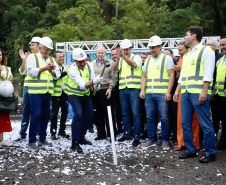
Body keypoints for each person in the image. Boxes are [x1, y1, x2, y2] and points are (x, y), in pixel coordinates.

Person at [173, 26, 216, 163]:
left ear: (194, 36)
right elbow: (183, 76)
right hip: (185, 93)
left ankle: (210, 152)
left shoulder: (207, 51)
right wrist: (177, 91)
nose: (184, 37)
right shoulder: (188, 54)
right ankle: (190, 150)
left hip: (198, 93)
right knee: (185, 123)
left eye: (186, 34)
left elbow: (209, 73)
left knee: (205, 124)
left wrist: (204, 91)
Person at [140, 35, 174, 150]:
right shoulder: (148, 60)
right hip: (150, 93)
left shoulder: (167, 58)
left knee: (164, 117)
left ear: (160, 47)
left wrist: (168, 91)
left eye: (153, 47)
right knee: (150, 117)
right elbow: (144, 77)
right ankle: (151, 139)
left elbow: (171, 75)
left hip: (162, 93)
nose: (151, 50)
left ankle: (165, 140)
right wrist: (142, 90)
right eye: (150, 47)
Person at [66, 48, 103, 153]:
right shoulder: (72, 70)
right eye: (80, 62)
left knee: (90, 116)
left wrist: (96, 85)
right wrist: (94, 81)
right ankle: (75, 142)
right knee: (78, 115)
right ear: (74, 61)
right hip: (74, 95)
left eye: (84, 61)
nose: (82, 63)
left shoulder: (89, 66)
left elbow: (92, 82)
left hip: (85, 95)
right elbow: (83, 85)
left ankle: (81, 137)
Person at [26, 37, 61, 150]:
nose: (47, 52)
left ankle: (42, 138)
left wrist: (51, 70)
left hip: (47, 92)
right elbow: (30, 72)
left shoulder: (51, 59)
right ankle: (31, 140)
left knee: (46, 116)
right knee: (36, 115)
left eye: (49, 50)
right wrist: (44, 68)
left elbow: (58, 75)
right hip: (35, 91)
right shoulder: (32, 57)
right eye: (46, 49)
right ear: (40, 48)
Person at [113, 39, 142, 146]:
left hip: (134, 88)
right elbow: (115, 69)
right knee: (124, 113)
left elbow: (134, 65)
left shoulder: (136, 57)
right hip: (123, 89)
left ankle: (137, 136)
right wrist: (117, 58)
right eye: (123, 50)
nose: (125, 52)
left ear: (130, 49)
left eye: (127, 49)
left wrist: (123, 57)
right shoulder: (121, 59)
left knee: (135, 114)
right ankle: (126, 134)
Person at [172, 40, 200, 151]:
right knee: (182, 119)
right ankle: (181, 142)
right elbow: (179, 78)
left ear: (187, 49)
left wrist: (181, 69)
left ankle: (195, 143)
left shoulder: (191, 59)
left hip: (194, 90)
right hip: (182, 91)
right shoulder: (180, 60)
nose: (179, 52)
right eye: (178, 50)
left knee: (194, 119)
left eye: (181, 50)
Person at [15, 37, 41, 142]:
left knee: (37, 111)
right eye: (30, 45)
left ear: (39, 46)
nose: (30, 47)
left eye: (32, 45)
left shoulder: (43, 58)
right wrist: (24, 60)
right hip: (28, 86)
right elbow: (22, 72)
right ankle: (22, 133)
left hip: (39, 87)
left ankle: (38, 133)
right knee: (26, 110)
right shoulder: (29, 57)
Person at [91, 46, 117, 141]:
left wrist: (110, 88)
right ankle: (101, 134)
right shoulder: (91, 64)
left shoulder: (110, 63)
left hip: (106, 90)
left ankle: (111, 135)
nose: (100, 54)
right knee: (98, 114)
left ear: (105, 53)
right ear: (96, 54)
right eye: (99, 53)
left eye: (102, 52)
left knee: (108, 113)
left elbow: (114, 77)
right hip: (95, 91)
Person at [206, 38, 223, 137]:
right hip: (205, 90)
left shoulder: (220, 58)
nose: (208, 46)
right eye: (207, 44)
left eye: (210, 44)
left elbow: (217, 75)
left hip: (216, 91)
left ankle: (216, 133)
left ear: (215, 47)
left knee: (216, 114)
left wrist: (212, 89)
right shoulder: (204, 56)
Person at [50, 51, 69, 140]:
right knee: (54, 114)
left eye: (62, 56)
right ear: (55, 58)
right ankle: (53, 132)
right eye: (59, 57)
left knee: (65, 112)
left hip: (65, 93)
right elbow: (55, 77)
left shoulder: (66, 67)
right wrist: (65, 73)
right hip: (55, 93)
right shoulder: (53, 68)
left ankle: (62, 131)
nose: (62, 58)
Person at [213, 38, 226, 150]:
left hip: (225, 94)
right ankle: (222, 140)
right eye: (221, 45)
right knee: (220, 118)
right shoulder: (220, 60)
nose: (222, 47)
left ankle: (223, 142)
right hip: (218, 94)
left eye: (224, 44)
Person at [0, 48, 13, 147]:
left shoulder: (7, 69)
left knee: (2, 119)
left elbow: (9, 83)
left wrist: (1, 75)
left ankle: (1, 140)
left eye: (0, 55)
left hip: (2, 97)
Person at [111, 48, 123, 135]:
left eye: (115, 54)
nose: (114, 56)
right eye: (112, 55)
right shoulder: (110, 63)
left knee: (126, 111)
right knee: (117, 111)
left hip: (123, 89)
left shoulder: (123, 62)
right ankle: (118, 128)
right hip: (114, 91)